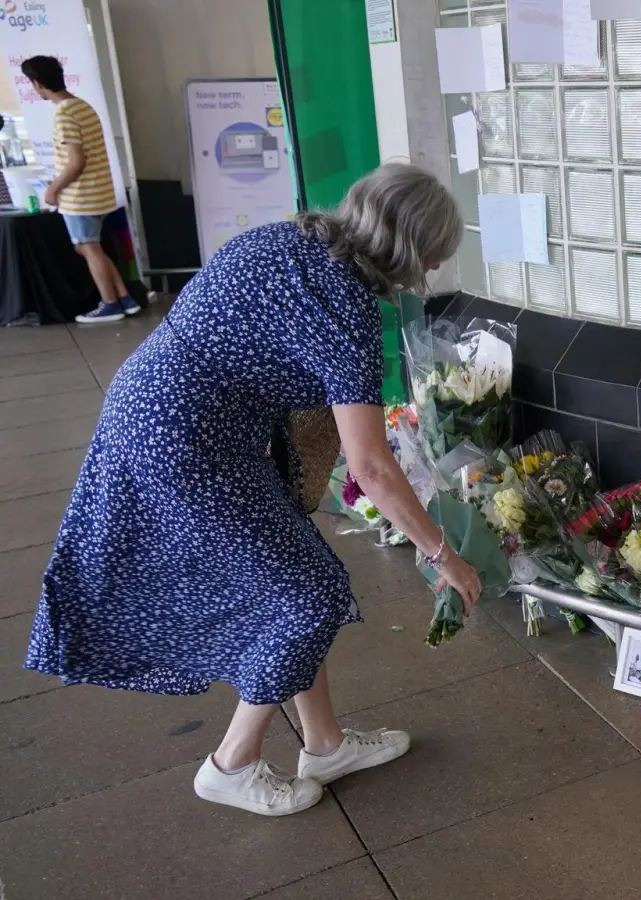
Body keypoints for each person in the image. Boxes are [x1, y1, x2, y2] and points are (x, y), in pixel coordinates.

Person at [23, 163, 481, 817]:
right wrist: (444, 556)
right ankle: (230, 763)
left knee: (293, 580)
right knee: (309, 595)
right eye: (435, 254)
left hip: (152, 406)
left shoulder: (282, 239)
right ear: (412, 249)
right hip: (189, 443)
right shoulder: (347, 310)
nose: (433, 269)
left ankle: (324, 744)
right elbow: (371, 466)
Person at [19, 55, 136, 324]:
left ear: (37, 83)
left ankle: (110, 304)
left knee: (88, 247)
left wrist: (53, 189)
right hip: (97, 193)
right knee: (91, 247)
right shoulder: (82, 106)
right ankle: (124, 298)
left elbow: (76, 161)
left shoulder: (64, 114)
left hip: (80, 196)